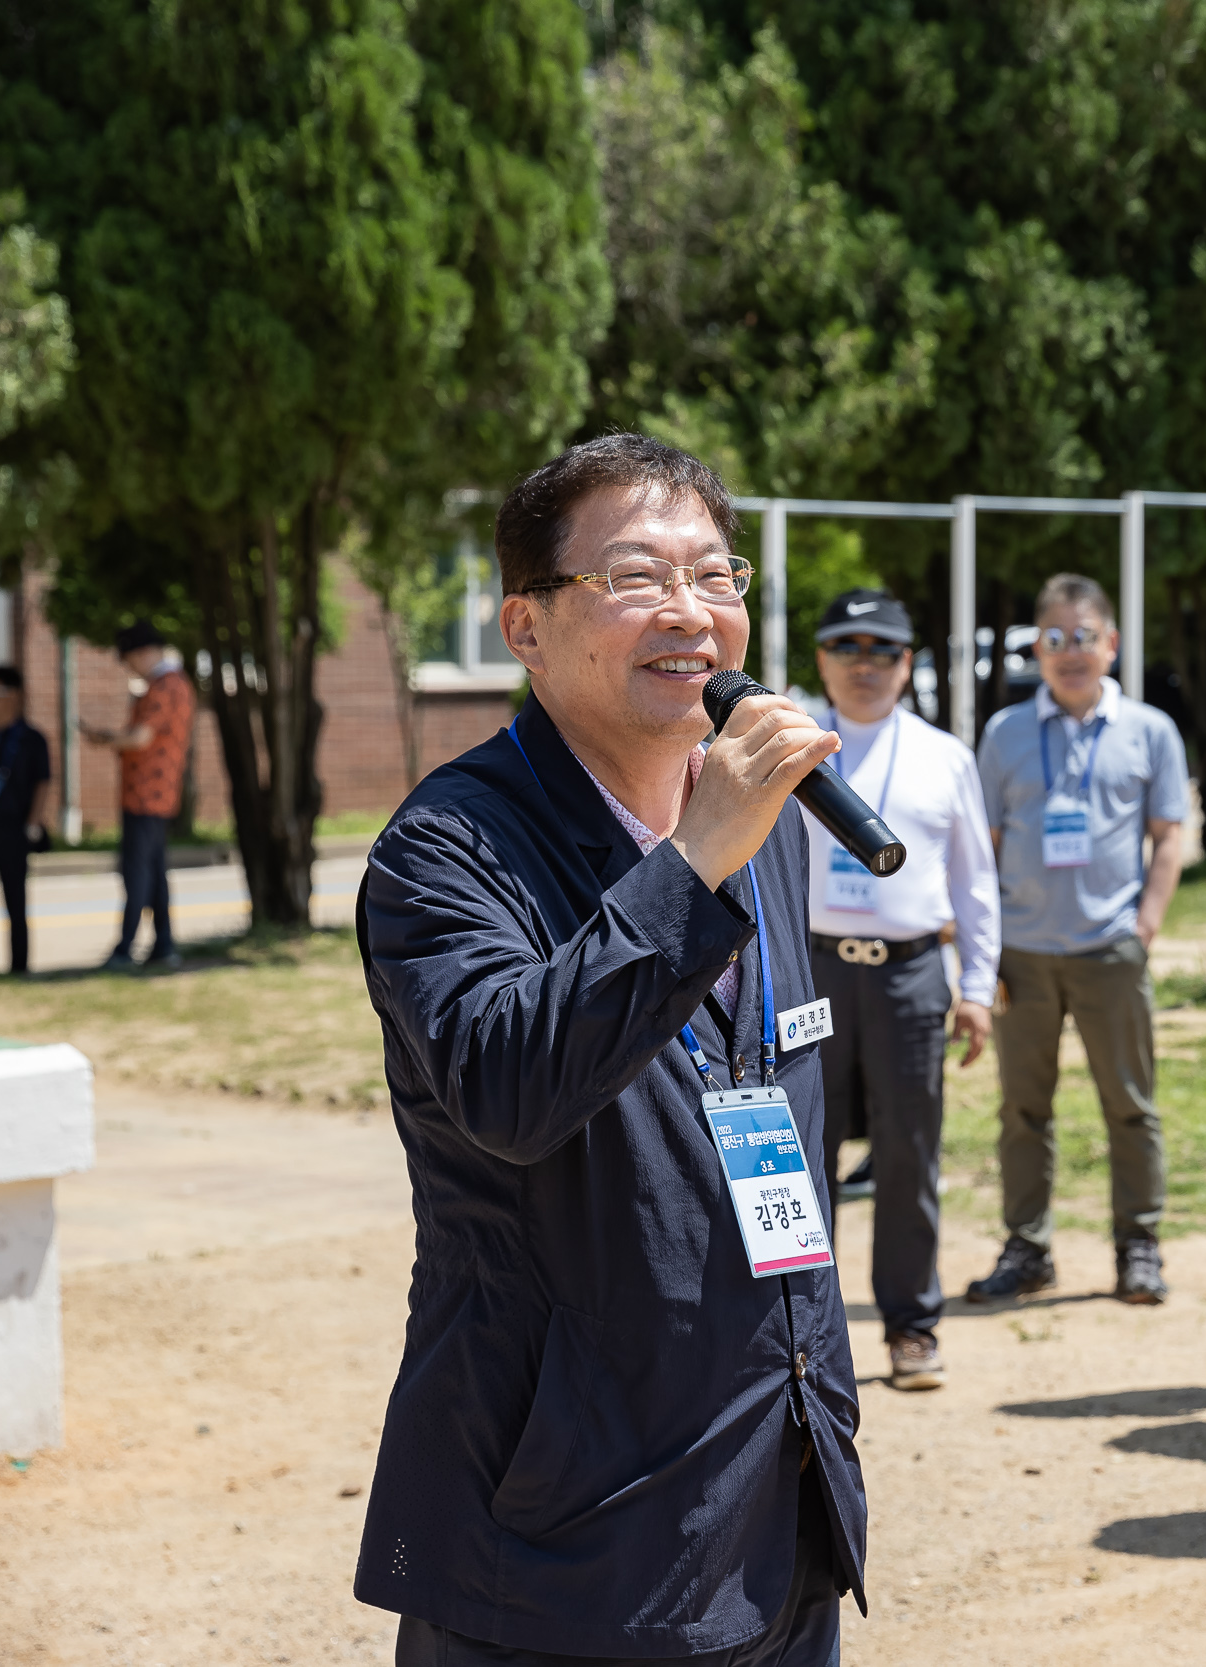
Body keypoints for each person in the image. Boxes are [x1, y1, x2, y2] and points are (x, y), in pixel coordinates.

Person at [351, 433, 865, 1663]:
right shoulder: (446, 849)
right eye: (637, 576)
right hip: (564, 1531)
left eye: (718, 576)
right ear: (524, 628)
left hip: (774, 1484)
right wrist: (693, 864)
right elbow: (510, 1085)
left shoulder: (763, 823)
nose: (691, 611)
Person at [969, 573, 1189, 1306]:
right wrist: (988, 945)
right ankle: (1027, 1249)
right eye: (1055, 639)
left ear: (1112, 644)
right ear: (1039, 647)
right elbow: (984, 847)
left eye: (1084, 637)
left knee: (1130, 1103)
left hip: (1110, 950)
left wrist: (1146, 923)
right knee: (1022, 1110)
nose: (1069, 653)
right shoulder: (1004, 734)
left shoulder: (1150, 731)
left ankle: (1140, 1246)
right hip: (1023, 954)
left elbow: (1168, 836)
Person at [801, 585, 998, 1393]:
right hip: (811, 970)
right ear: (821, 659)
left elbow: (975, 883)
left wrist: (978, 986)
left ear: (908, 663)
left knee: (909, 1156)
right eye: (847, 647)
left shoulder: (944, 755)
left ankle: (912, 1325)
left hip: (913, 974)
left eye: (883, 649)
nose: (865, 664)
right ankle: (803, 1329)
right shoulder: (790, 742)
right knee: (806, 1151)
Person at [81, 621, 194, 970]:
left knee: (137, 872)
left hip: (146, 793)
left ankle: (125, 947)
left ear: (144, 653)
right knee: (154, 871)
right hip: (154, 794)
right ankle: (163, 944)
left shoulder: (165, 686)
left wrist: (104, 739)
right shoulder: (175, 684)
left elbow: (140, 738)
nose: (128, 666)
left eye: (129, 658)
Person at [0, 666, 52, 975]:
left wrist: (33, 823)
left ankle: (20, 969)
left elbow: (42, 782)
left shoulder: (32, 739)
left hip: (12, 831)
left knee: (15, 903)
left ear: (14, 696)